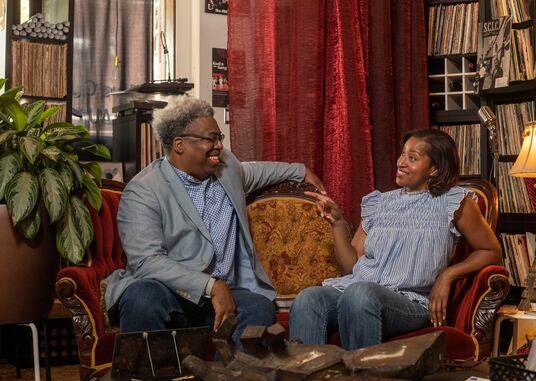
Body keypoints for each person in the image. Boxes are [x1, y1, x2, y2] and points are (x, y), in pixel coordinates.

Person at [104, 96, 325, 346]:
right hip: (170, 292)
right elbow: (146, 262)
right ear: (179, 145)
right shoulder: (144, 190)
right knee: (142, 298)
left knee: (259, 308)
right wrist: (210, 286)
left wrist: (300, 170)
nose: (219, 145)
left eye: (219, 138)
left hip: (227, 293)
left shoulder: (226, 168)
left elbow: (259, 170)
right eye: (211, 138)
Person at [289, 128, 502, 350]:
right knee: (308, 299)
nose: (401, 162)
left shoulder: (454, 202)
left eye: (413, 158)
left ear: (434, 169)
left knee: (360, 294)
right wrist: (338, 222)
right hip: (358, 292)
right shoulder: (379, 203)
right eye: (402, 154)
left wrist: (447, 275)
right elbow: (351, 266)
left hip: (410, 302)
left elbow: (491, 251)